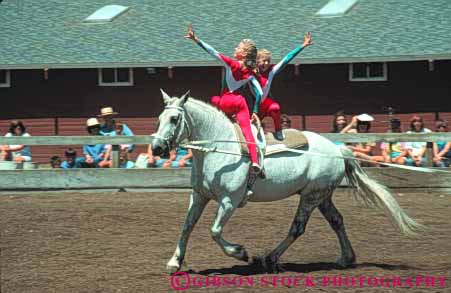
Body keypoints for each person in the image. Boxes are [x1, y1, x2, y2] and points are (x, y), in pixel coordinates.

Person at [185, 23, 263, 173]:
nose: (235, 49)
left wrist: (196, 40)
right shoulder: (251, 72)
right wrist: (255, 110)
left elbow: (212, 51)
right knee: (247, 131)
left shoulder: (231, 64)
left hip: (225, 101)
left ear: (244, 53)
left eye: (238, 47)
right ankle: (255, 161)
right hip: (240, 103)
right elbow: (259, 93)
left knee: (214, 100)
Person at [253, 33, 312, 140]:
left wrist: (303, 46)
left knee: (275, 108)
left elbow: (287, 58)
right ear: (257, 61)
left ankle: (278, 130)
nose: (266, 63)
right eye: (263, 61)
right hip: (253, 105)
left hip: (265, 103)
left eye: (268, 61)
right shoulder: (251, 72)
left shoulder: (271, 71)